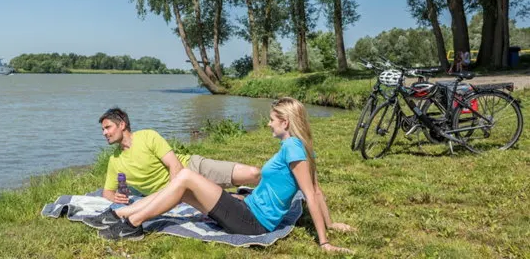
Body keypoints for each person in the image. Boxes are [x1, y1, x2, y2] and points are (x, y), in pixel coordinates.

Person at [91, 98, 355, 253]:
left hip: (253, 223)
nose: (268, 123)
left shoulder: (293, 148)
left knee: (184, 178)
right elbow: (317, 190)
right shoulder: (295, 147)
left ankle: (133, 223)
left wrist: (324, 242)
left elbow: (311, 193)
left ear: (285, 123)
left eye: (272, 119)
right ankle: (122, 215)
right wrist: (331, 223)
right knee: (186, 190)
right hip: (246, 209)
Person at [91, 107, 261, 205]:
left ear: (122, 125)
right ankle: (239, 195)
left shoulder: (147, 136)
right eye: (102, 129)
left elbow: (174, 165)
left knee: (253, 174)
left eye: (107, 127)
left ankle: (283, 183)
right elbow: (107, 191)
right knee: (234, 201)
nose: (104, 133)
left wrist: (172, 195)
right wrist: (115, 197)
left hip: (192, 168)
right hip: (183, 194)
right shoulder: (115, 160)